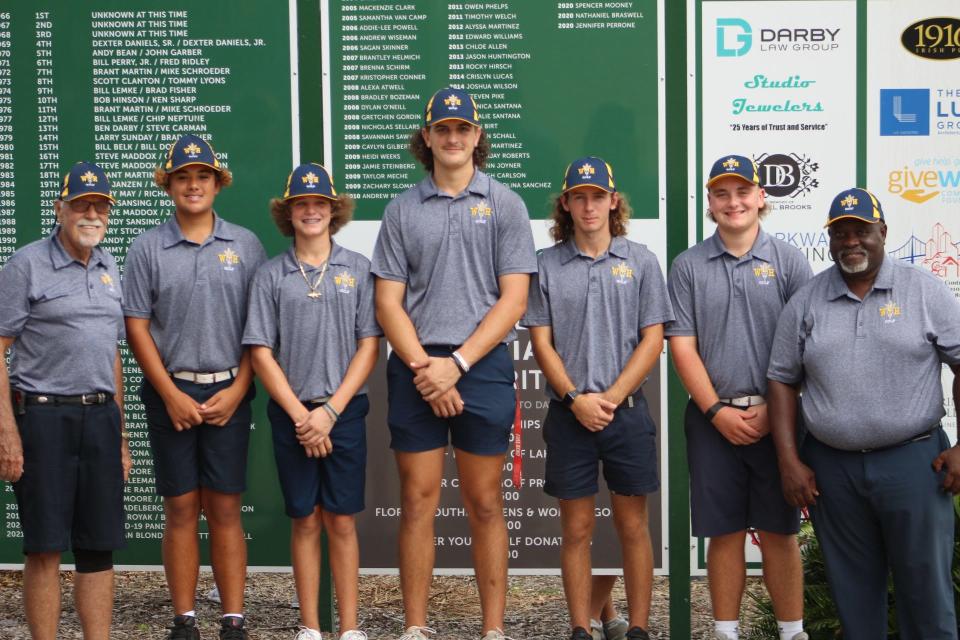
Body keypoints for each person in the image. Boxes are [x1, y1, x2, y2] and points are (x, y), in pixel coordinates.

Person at [371, 87, 537, 640]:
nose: (452, 137)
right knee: (417, 500)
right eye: (442, 128)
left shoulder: (506, 204)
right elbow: (387, 302)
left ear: (477, 135)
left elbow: (513, 299)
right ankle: (415, 627)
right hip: (417, 364)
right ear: (427, 137)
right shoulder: (401, 208)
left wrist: (458, 364)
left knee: (485, 501)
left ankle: (493, 630)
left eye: (462, 128)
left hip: (481, 366)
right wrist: (426, 368)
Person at [767, 188, 960, 639]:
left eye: (861, 231)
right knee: (853, 596)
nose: (851, 241)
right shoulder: (809, 300)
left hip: (913, 463)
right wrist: (789, 460)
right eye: (841, 233)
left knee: (926, 594)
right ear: (830, 240)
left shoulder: (924, 290)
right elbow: (780, 379)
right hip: (833, 470)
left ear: (883, 233)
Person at [123, 134, 266, 639]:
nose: (193, 185)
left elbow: (259, 327)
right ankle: (184, 619)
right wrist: (168, 393)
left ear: (217, 183)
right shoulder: (147, 247)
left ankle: (233, 618)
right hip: (171, 392)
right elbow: (136, 324)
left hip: (229, 390)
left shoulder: (245, 244)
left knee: (225, 505)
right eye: (182, 177)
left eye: (202, 176)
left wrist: (239, 387)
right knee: (181, 506)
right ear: (169, 185)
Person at [523, 157, 671, 640]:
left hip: (625, 415)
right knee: (578, 530)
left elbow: (652, 340)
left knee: (633, 526)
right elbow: (541, 342)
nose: (589, 206)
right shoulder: (546, 265)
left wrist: (609, 397)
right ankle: (580, 628)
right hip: (570, 417)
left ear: (614, 201)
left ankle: (640, 629)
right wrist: (575, 399)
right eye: (579, 196)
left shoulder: (641, 260)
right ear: (566, 204)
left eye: (598, 196)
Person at [666, 155, 811, 640]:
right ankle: (726, 632)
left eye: (743, 192)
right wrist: (714, 410)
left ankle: (793, 632)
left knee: (780, 531)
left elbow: (803, 345)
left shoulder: (789, 261)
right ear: (709, 202)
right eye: (722, 194)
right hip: (712, 418)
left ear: (760, 197)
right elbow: (681, 346)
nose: (734, 202)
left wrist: (775, 410)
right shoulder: (687, 266)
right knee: (723, 531)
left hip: (780, 418)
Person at [243, 163, 380, 640]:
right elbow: (260, 350)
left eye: (319, 203)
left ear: (333, 210)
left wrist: (330, 412)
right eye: (301, 204)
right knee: (304, 518)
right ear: (289, 213)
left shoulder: (359, 269)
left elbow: (369, 345)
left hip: (342, 411)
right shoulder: (270, 275)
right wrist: (303, 415)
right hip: (292, 414)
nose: (311, 211)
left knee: (341, 519)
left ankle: (349, 628)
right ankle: (309, 627)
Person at [0, 161, 131, 639]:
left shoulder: (109, 265)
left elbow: (111, 351)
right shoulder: (26, 264)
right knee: (45, 546)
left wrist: (120, 435)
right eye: (81, 205)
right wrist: (7, 431)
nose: (91, 214)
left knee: (98, 548)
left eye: (100, 206)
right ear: (61, 209)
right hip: (43, 417)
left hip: (99, 416)